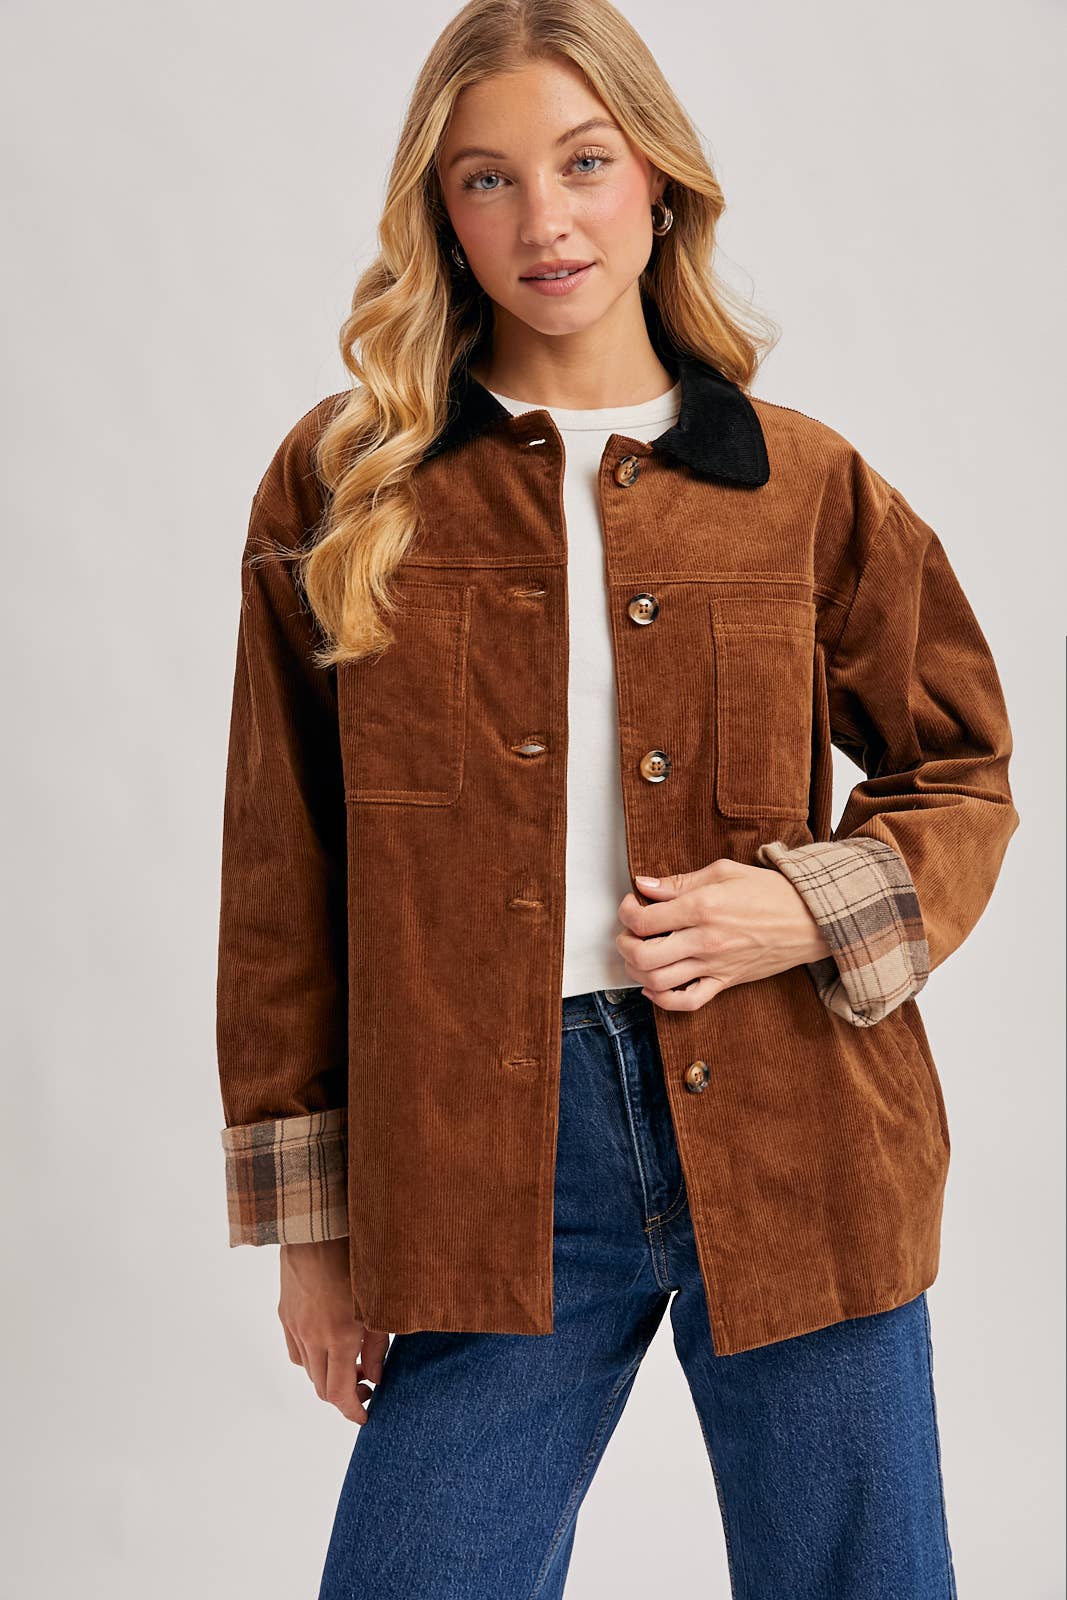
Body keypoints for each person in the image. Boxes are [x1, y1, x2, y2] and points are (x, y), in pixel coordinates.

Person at [214, 2, 1020, 1595]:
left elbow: (962, 770)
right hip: (484, 1157)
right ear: (440, 215)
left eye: (584, 162)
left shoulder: (800, 484)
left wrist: (802, 907)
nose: (545, 220)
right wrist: (313, 1230)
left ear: (658, 180)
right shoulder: (346, 482)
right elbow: (280, 868)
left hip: (799, 1140)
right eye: (487, 179)